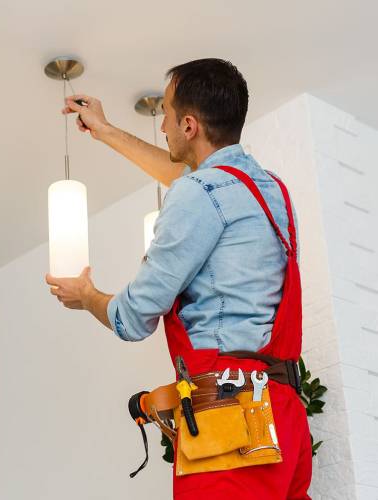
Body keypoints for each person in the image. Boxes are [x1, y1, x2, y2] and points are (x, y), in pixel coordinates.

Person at [46, 58, 311, 500]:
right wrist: (106, 130)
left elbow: (132, 318)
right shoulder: (269, 189)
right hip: (283, 417)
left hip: (230, 418)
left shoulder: (200, 195)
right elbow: (196, 182)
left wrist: (88, 296)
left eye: (166, 113)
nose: (162, 123)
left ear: (189, 126)